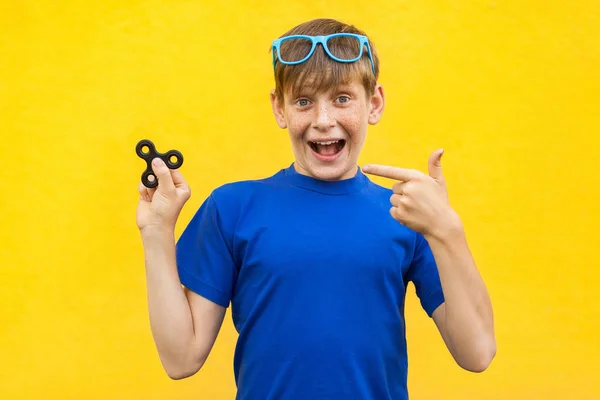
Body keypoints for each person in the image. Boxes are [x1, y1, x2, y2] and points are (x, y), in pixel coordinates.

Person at [136, 17, 496, 400]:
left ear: (373, 104)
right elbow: (180, 359)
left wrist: (446, 230)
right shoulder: (231, 208)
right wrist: (156, 232)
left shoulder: (407, 215)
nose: (323, 121)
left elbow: (477, 353)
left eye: (342, 99)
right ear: (280, 109)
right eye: (304, 101)